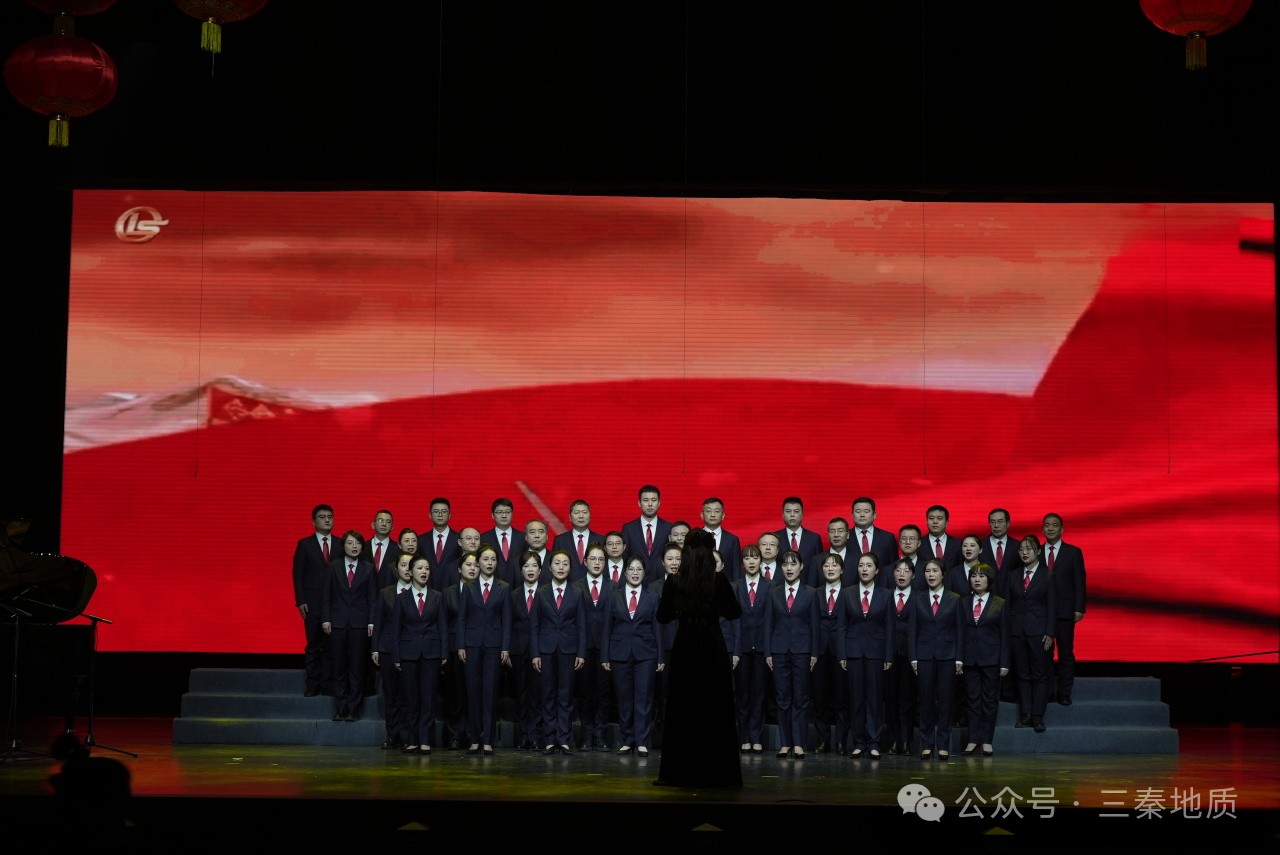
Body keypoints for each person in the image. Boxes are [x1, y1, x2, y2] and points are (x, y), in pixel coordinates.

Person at [654, 528, 742, 788]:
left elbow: (662, 616)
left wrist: (681, 608)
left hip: (685, 647)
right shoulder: (718, 580)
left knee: (683, 707)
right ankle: (718, 772)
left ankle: (678, 772)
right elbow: (734, 612)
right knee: (715, 707)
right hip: (713, 647)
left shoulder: (675, 581)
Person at [602, 555, 664, 757]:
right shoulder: (614, 596)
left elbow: (657, 628)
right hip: (619, 652)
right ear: (624, 572)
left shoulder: (652, 597)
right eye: (631, 569)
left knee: (644, 698)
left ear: (644, 573)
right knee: (624, 698)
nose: (635, 573)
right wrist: (605, 656)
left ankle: (642, 741)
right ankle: (628, 740)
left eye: (639, 569)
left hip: (646, 653)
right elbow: (607, 628)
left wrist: (660, 657)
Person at [530, 549, 586, 755]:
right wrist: (535, 653)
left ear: (570, 568)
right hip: (545, 649)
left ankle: (563, 738)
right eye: (557, 563)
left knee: (566, 694)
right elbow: (534, 625)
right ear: (549, 566)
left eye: (565, 564)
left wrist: (581, 652)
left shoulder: (577, 592)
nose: (561, 567)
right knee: (547, 694)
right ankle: (549, 739)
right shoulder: (541, 592)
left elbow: (582, 626)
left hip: (569, 649)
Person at [837, 552, 893, 759]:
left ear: (876, 570)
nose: (864, 569)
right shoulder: (847, 593)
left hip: (876, 652)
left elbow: (889, 627)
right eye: (861, 565)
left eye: (869, 566)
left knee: (875, 699)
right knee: (856, 699)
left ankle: (874, 741)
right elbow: (841, 626)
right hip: (853, 652)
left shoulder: (885, 594)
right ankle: (859, 742)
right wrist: (842, 654)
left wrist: (888, 656)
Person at [457, 543, 511, 756]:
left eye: (493, 560)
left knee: (490, 692)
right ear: (478, 562)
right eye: (485, 559)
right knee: (473, 692)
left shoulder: (503, 587)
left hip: (494, 646)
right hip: (471, 645)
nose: (489, 563)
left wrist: (505, 647)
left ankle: (487, 740)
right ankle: (474, 739)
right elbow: (462, 618)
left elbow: (506, 620)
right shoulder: (468, 587)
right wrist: (460, 644)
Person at [764, 551, 819, 759]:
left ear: (801, 567)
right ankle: (785, 743)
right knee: (782, 698)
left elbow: (815, 626)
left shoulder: (810, 593)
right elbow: (768, 624)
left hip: (802, 650)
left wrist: (814, 652)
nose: (789, 568)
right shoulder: (773, 592)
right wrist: (768, 652)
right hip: (778, 650)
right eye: (785, 564)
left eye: (793, 564)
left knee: (801, 698)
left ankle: (798, 743)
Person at [391, 556, 448, 755]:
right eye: (420, 568)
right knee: (411, 698)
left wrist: (443, 652)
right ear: (410, 572)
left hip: (431, 653)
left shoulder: (437, 596)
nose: (424, 572)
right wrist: (396, 656)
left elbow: (443, 627)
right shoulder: (401, 598)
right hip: (408, 653)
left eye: (427, 568)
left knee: (428, 698)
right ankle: (412, 739)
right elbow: (396, 630)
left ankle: (425, 740)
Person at [909, 559, 963, 761]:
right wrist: (913, 658)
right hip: (924, 656)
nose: (931, 575)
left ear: (943, 574)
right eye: (928, 571)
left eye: (935, 571)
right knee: (925, 701)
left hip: (948, 656)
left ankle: (943, 744)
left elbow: (960, 631)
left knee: (946, 702)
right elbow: (913, 630)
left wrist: (959, 658)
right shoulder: (918, 598)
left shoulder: (954, 599)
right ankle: (926, 744)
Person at [321, 530, 377, 722]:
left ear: (362, 547)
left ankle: (354, 708)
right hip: (337, 622)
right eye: (350, 543)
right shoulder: (333, 567)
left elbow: (372, 598)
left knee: (357, 667)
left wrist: (371, 621)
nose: (354, 547)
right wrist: (326, 619)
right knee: (338, 666)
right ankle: (341, 707)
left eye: (358, 543)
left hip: (360, 623)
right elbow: (326, 595)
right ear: (343, 546)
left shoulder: (368, 568)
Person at [959, 563, 1009, 756]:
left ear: (989, 579)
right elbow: (960, 633)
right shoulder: (963, 602)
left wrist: (1004, 663)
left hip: (992, 659)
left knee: (989, 701)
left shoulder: (1000, 603)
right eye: (973, 576)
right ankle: (973, 739)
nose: (977, 580)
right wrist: (959, 659)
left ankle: (987, 740)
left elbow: (1005, 636)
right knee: (972, 701)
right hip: (969, 659)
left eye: (981, 576)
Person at [1009, 535, 1055, 732]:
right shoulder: (1013, 575)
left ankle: (1037, 715)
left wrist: (1050, 632)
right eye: (1021, 549)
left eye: (1029, 549)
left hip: (1040, 632)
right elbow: (1009, 605)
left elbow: (1053, 606)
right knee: (1022, 674)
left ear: (1038, 551)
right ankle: (1026, 714)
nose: (1024, 552)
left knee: (1040, 675)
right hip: (1017, 631)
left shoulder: (1048, 575)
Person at [574, 543, 615, 751]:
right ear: (585, 561)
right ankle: (586, 735)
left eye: (601, 559)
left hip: (606, 647)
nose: (597, 563)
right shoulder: (576, 586)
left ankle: (600, 735)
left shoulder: (613, 586)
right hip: (582, 648)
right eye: (593, 559)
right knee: (585, 693)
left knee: (604, 693)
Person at [292, 503, 335, 697]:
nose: (327, 520)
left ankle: (327, 684)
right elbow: (298, 574)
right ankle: (313, 684)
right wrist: (300, 600)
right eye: (322, 517)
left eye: (330, 517)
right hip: (312, 603)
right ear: (313, 521)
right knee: (313, 645)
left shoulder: (341, 543)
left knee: (330, 646)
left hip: (334, 603)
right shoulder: (305, 544)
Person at [1044, 513, 1087, 706]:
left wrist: (1079, 607)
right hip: (1042, 612)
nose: (1050, 528)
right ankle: (1046, 692)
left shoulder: (1073, 552)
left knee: (1065, 654)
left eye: (1054, 525)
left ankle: (1064, 692)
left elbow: (1079, 581)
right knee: (1044, 655)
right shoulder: (1036, 552)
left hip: (1065, 612)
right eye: (1047, 525)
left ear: (1062, 529)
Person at [373, 552, 414, 749]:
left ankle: (406, 734)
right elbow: (378, 622)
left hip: (410, 649)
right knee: (390, 694)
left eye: (410, 565)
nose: (407, 569)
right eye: (403, 565)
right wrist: (375, 648)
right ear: (396, 569)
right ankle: (392, 734)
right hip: (387, 648)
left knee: (407, 695)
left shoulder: (420, 592)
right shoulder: (386, 592)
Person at [732, 543, 768, 753]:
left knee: (759, 694)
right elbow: (733, 621)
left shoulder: (770, 586)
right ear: (742, 563)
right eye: (747, 558)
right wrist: (735, 650)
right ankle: (745, 736)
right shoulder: (735, 586)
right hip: (742, 648)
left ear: (761, 561)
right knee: (743, 694)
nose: (751, 562)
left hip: (762, 648)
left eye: (755, 558)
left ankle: (757, 737)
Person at [507, 550, 544, 750]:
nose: (530, 569)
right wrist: (507, 650)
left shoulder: (546, 593)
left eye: (534, 566)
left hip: (540, 651)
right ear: (520, 570)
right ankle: (523, 736)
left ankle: (536, 736)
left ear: (540, 570)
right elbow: (508, 624)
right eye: (526, 566)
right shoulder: (513, 594)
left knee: (537, 695)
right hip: (518, 650)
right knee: (521, 695)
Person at [441, 551, 478, 748]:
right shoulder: (448, 592)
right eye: (468, 565)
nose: (472, 568)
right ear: (459, 568)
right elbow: (443, 624)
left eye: (476, 565)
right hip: (454, 649)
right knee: (455, 694)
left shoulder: (483, 591)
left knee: (474, 693)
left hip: (477, 647)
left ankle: (473, 735)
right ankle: (455, 735)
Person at [812, 553, 848, 754]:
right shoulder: (814, 593)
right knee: (820, 698)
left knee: (842, 699)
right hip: (818, 651)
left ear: (842, 570)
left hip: (841, 651)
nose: (830, 568)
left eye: (835, 565)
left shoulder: (850, 593)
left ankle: (841, 742)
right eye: (826, 565)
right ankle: (823, 741)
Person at [884, 558, 917, 755]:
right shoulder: (885, 596)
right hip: (888, 654)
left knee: (907, 699)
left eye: (906, 571)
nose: (902, 574)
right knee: (890, 699)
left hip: (910, 655)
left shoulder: (919, 597)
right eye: (898, 570)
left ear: (913, 575)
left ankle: (905, 740)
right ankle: (893, 739)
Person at [622, 485, 672, 582]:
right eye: (645, 500)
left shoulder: (668, 528)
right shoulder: (628, 529)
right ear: (639, 503)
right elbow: (624, 558)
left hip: (662, 582)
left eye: (653, 500)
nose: (650, 504)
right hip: (636, 581)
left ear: (659, 503)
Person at [552, 499, 602, 580]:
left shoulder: (601, 540)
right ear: (570, 517)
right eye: (576, 512)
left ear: (590, 516)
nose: (581, 516)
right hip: (568, 586)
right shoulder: (560, 540)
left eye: (584, 512)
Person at [481, 498, 526, 585]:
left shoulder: (523, 537)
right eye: (499, 512)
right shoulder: (484, 538)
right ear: (492, 515)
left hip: (518, 586)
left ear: (512, 514)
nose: (504, 515)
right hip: (493, 586)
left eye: (507, 512)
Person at [700, 498, 742, 582]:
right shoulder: (694, 538)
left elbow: (736, 570)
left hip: (725, 587)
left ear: (723, 515)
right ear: (702, 515)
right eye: (708, 511)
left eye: (717, 511)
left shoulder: (732, 540)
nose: (712, 515)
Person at [774, 497, 821, 571]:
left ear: (802, 515)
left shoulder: (814, 539)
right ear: (782, 515)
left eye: (796, 511)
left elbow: (819, 566)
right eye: (788, 511)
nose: (792, 515)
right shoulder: (774, 538)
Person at [851, 497, 897, 572]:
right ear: (852, 515)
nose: (862, 515)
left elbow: (893, 567)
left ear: (874, 514)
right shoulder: (844, 537)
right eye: (858, 511)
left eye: (866, 511)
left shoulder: (887, 538)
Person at [980, 507, 1019, 594]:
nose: (996, 525)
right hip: (986, 595)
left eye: (1000, 521)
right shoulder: (980, 545)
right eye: (992, 522)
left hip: (1011, 595)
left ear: (1008, 523)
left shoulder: (1017, 546)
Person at [920, 505, 961, 584]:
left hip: (952, 588)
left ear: (947, 522)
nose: (935, 522)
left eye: (939, 518)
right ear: (927, 521)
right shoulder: (919, 544)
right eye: (931, 518)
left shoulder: (957, 544)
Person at [420, 498, 460, 579]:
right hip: (427, 584)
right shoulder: (421, 540)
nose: (440, 515)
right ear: (430, 515)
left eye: (444, 511)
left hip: (452, 583)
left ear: (449, 515)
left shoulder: (458, 539)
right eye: (436, 511)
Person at [365, 510, 402, 588]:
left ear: (392, 527)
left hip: (389, 593)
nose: (384, 524)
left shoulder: (398, 549)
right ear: (373, 525)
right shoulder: (363, 547)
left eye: (388, 522)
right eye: (380, 520)